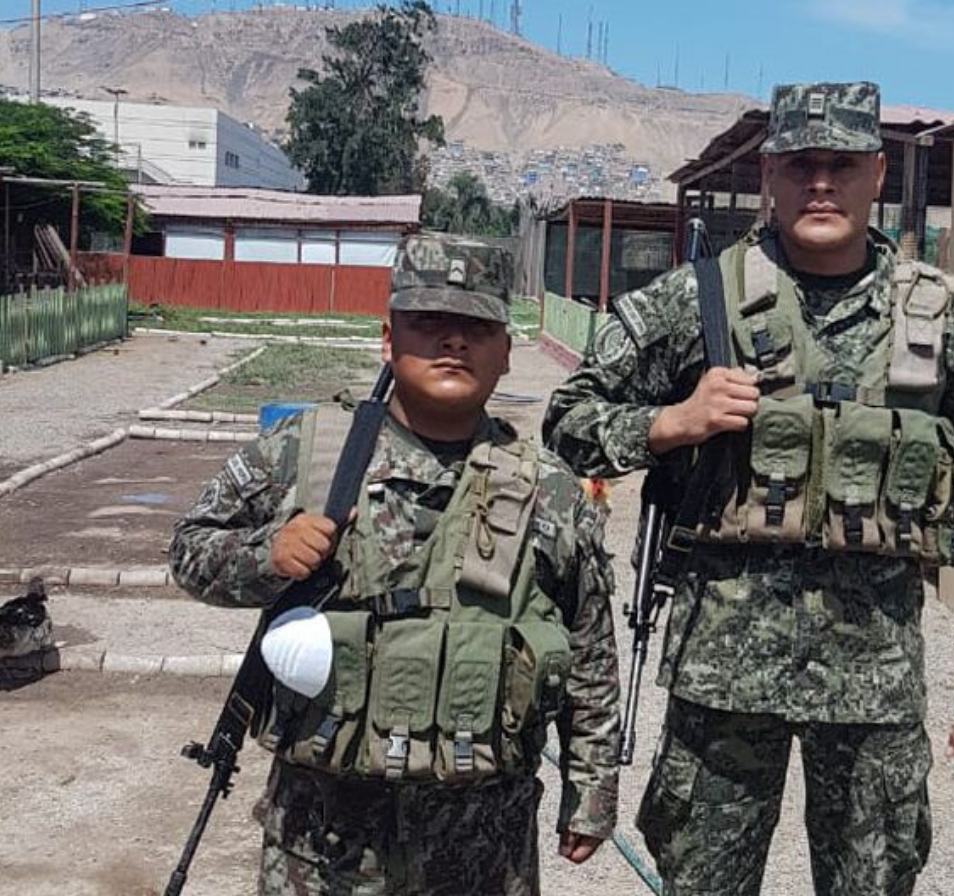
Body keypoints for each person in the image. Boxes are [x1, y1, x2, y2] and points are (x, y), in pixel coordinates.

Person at [542, 81, 954, 896]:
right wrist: (671, 422)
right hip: (722, 680)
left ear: (876, 174)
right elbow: (568, 419)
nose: (822, 184)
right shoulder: (699, 299)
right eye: (801, 165)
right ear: (769, 175)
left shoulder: (932, 322)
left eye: (842, 165)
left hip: (873, 687)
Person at [170, 234, 619, 895]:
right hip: (323, 847)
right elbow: (188, 548)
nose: (454, 341)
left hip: (483, 850)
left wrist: (591, 791)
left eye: (477, 328)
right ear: (388, 339)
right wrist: (267, 554)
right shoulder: (309, 453)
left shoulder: (550, 489)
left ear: (505, 352)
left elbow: (590, 647)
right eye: (429, 321)